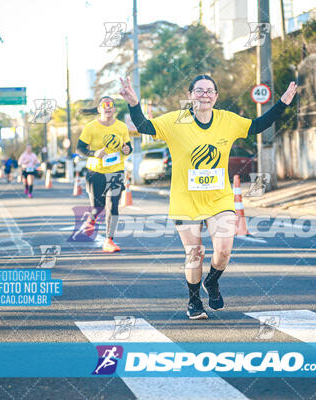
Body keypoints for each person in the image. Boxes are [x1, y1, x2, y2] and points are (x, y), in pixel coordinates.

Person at [120, 74, 296, 319]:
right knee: (195, 253)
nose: (204, 95)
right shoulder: (177, 120)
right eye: (199, 91)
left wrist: (283, 104)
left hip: (219, 199)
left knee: (223, 251)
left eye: (209, 91)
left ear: (216, 96)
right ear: (190, 95)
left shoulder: (227, 120)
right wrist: (133, 103)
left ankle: (211, 281)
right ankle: (194, 300)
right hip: (185, 200)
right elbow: (144, 127)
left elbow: (256, 125)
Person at [76, 96, 132, 253]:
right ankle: (91, 219)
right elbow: (79, 149)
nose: (108, 108)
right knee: (98, 206)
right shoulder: (91, 127)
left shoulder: (121, 127)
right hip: (96, 172)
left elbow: (128, 147)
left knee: (113, 205)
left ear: (114, 109)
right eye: (104, 106)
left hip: (116, 170)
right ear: (99, 109)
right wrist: (94, 153)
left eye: (111, 105)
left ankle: (109, 240)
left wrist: (127, 150)